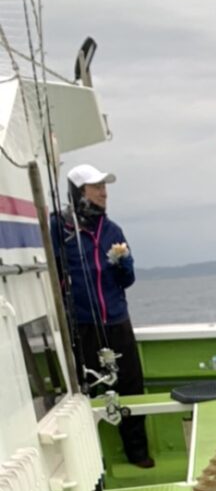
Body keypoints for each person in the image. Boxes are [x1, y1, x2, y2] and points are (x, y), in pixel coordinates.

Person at [50, 163, 153, 467]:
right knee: (86, 392)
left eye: (104, 186)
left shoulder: (113, 231)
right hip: (82, 325)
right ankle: (90, 459)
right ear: (79, 192)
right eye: (96, 187)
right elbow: (53, 272)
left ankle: (137, 452)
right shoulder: (60, 228)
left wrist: (124, 266)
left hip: (117, 321)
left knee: (131, 386)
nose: (104, 192)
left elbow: (127, 281)